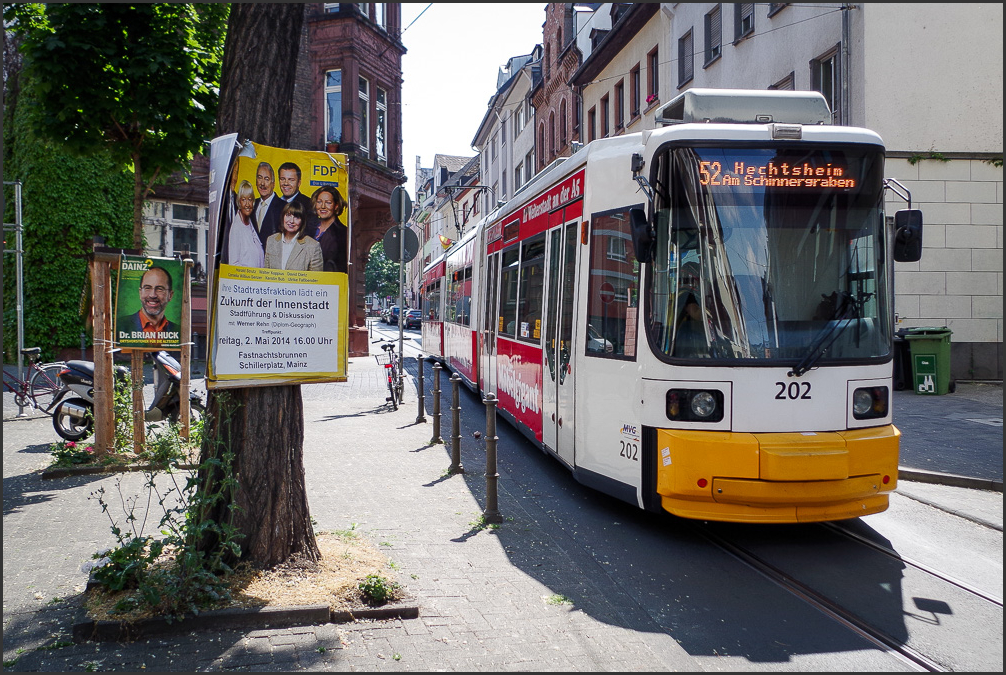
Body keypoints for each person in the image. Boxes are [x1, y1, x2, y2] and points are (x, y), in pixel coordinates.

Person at [264, 201, 324, 271]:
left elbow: (315, 279)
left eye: (297, 217)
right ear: (283, 217)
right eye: (288, 215)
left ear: (302, 221)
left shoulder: (312, 246)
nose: (291, 221)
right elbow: (266, 274)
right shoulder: (271, 240)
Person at [123, 266, 179, 340]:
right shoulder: (121, 326)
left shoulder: (179, 331)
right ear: (140, 293)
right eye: (147, 288)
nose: (153, 295)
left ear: (170, 295)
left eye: (159, 289)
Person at [308, 184, 349, 274]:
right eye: (319, 202)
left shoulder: (344, 233)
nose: (323, 206)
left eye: (328, 202)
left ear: (336, 206)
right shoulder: (307, 228)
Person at [227, 180, 264, 268]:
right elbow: (233, 264)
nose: (247, 204)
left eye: (250, 199)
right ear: (239, 202)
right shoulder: (236, 228)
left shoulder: (252, 224)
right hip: (245, 280)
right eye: (243, 200)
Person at [253, 161, 285, 247]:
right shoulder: (251, 205)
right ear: (256, 181)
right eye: (260, 178)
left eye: (267, 179)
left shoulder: (284, 207)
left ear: (273, 184)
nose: (262, 183)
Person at [673, 293, 708, 357]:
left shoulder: (706, 325)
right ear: (686, 309)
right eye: (696, 309)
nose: (700, 311)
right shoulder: (684, 330)